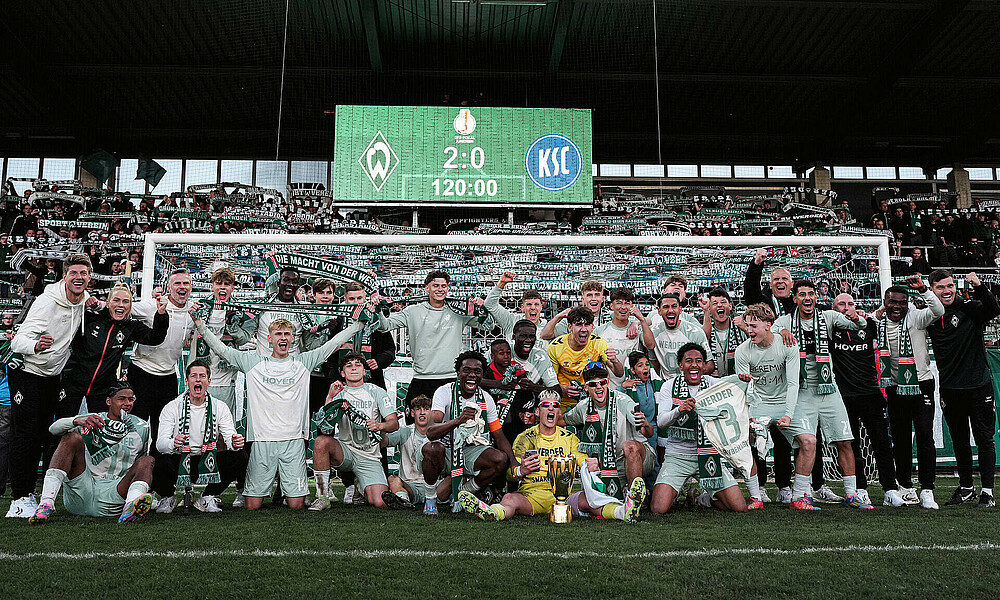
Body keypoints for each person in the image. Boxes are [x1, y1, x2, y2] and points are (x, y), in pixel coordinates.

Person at [190, 312, 362, 510]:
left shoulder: (303, 362)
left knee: (296, 505)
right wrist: (200, 325)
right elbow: (222, 350)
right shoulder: (253, 363)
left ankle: (294, 491)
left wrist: (358, 325)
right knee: (252, 505)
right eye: (278, 334)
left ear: (293, 338)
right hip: (262, 441)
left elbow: (332, 345)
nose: (283, 338)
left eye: (287, 334)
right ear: (269, 338)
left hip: (293, 441)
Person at [6, 254, 92, 519]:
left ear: (89, 278)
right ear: (64, 276)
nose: (78, 277)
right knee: (26, 434)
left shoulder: (84, 300)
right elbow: (16, 342)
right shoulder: (46, 302)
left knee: (44, 434)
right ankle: (19, 498)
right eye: (73, 272)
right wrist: (35, 345)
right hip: (27, 373)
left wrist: (96, 302)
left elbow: (92, 303)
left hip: (51, 377)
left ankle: (31, 493)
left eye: (83, 273)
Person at [774, 280, 872, 509]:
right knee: (805, 443)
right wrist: (782, 331)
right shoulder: (786, 321)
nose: (807, 298)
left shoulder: (828, 317)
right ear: (795, 298)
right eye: (802, 294)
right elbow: (770, 330)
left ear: (816, 297)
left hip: (828, 389)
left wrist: (856, 317)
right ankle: (801, 495)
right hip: (802, 391)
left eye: (811, 294)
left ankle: (851, 493)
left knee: (844, 440)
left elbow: (858, 325)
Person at [27, 384, 154, 524]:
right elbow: (53, 429)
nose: (127, 403)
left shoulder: (142, 426)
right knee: (71, 438)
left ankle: (131, 505)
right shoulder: (92, 419)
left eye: (130, 399)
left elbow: (140, 463)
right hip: (83, 488)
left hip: (116, 492)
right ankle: (46, 504)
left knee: (147, 460)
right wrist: (76, 420)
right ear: (109, 401)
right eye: (121, 399)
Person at [925, 270, 999, 507]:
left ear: (955, 286)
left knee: (984, 439)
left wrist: (979, 286)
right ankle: (967, 487)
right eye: (940, 287)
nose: (946, 291)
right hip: (950, 389)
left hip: (979, 386)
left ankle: (987, 491)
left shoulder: (970, 308)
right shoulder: (929, 315)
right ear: (932, 289)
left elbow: (994, 309)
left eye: (949, 286)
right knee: (959, 441)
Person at [735, 303, 819, 510]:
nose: (749, 330)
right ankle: (755, 496)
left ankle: (799, 497)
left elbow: (793, 384)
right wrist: (750, 414)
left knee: (809, 441)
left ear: (768, 325)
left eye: (754, 326)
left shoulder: (787, 344)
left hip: (784, 403)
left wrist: (788, 415)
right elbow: (744, 390)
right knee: (747, 439)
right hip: (758, 404)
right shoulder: (742, 350)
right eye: (747, 325)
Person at [650, 343, 752, 513]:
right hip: (678, 456)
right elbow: (661, 422)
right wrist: (679, 410)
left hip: (708, 453)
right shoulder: (669, 386)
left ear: (704, 366)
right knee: (658, 509)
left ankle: (700, 499)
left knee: (739, 507)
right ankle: (675, 491)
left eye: (698, 361)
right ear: (681, 365)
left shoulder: (715, 384)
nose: (694, 365)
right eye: (688, 361)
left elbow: (735, 389)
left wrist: (743, 381)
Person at [459, 391, 588, 521]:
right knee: (509, 498)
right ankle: (494, 513)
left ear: (559, 412)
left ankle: (604, 514)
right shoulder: (525, 438)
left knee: (590, 500)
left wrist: (589, 463)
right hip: (531, 496)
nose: (551, 408)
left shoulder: (569, 437)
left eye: (555, 405)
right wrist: (521, 470)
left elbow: (581, 459)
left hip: (564, 497)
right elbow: (510, 474)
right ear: (537, 411)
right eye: (545, 405)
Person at [828, 292, 903, 507]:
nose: (846, 307)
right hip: (844, 396)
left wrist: (870, 314)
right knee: (851, 445)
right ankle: (860, 489)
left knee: (882, 443)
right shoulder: (829, 328)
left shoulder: (868, 324)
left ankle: (890, 489)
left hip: (871, 394)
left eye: (850, 303)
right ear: (833, 309)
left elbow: (883, 318)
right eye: (841, 304)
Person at [422, 351, 519, 513]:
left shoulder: (486, 399)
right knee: (432, 448)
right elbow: (431, 433)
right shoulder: (444, 392)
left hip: (468, 451)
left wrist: (514, 461)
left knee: (500, 459)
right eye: (466, 370)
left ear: (482, 375)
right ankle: (430, 498)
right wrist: (458, 420)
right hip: (443, 451)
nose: (472, 375)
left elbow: (499, 436)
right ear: (458, 373)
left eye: (477, 371)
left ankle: (465, 492)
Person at [374, 270, 484, 410]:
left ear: (448, 288)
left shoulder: (458, 311)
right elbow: (385, 326)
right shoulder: (412, 311)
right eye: (435, 285)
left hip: (450, 378)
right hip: (422, 378)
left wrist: (483, 308)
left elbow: (487, 326)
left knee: (451, 422)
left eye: (443, 286)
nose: (440, 289)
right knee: (416, 421)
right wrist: (378, 309)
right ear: (427, 288)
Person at [878, 277, 944, 509]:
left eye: (902, 302)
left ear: (907, 303)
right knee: (901, 439)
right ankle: (905, 486)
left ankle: (927, 489)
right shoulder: (878, 323)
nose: (897, 306)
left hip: (921, 384)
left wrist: (924, 290)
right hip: (895, 387)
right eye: (892, 302)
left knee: (925, 436)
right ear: (885, 303)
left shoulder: (916, 317)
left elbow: (938, 310)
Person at [58, 284, 169, 417]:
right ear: (108, 303)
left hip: (102, 389)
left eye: (126, 301)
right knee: (64, 425)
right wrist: (86, 303)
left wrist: (161, 314)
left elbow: (155, 338)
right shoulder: (90, 317)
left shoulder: (130, 326)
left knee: (101, 427)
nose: (121, 305)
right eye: (116, 300)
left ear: (130, 306)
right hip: (73, 384)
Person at [152, 360, 247, 514]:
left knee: (240, 456)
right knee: (157, 461)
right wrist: (173, 443)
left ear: (209, 381)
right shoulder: (172, 407)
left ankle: (208, 496)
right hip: (180, 459)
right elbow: (160, 444)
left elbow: (230, 436)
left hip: (208, 460)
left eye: (202, 376)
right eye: (193, 376)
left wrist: (235, 443)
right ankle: (168, 496)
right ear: (186, 381)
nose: (198, 380)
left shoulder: (219, 406)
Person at [559, 364, 650, 522]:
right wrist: (537, 417)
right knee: (586, 502)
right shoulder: (583, 407)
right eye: (593, 384)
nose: (599, 387)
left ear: (607, 383)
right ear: (586, 388)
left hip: (638, 459)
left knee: (630, 446)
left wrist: (645, 424)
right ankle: (625, 500)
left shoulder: (623, 401)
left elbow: (648, 433)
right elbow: (562, 420)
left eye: (602, 382)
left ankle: (633, 501)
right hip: (608, 467)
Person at [309, 352, 398, 510]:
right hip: (346, 452)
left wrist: (379, 426)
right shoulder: (339, 394)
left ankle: (360, 487)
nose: (354, 368)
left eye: (358, 365)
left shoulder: (376, 391)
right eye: (349, 366)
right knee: (321, 442)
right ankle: (322, 496)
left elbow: (394, 423)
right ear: (342, 373)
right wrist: (329, 398)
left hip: (369, 456)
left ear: (364, 371)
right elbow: (325, 429)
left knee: (380, 502)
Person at [128, 268, 196, 451]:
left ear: (191, 287)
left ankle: (157, 467)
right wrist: (97, 304)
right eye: (177, 283)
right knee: (136, 430)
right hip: (142, 372)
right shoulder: (153, 306)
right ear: (169, 288)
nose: (182, 287)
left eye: (186, 283)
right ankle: (133, 467)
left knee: (164, 430)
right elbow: (123, 307)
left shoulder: (193, 311)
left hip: (168, 376)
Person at [381, 394, 451, 514]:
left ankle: (457, 497)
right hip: (410, 486)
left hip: (437, 487)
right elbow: (383, 443)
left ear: (432, 413)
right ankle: (403, 501)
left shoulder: (440, 433)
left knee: (455, 475)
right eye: (418, 409)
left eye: (426, 409)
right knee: (392, 479)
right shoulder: (405, 431)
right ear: (412, 413)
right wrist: (385, 426)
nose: (422, 413)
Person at [546, 306, 624, 408]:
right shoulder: (556, 347)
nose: (583, 329)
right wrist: (563, 388)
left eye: (587, 325)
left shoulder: (598, 343)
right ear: (570, 327)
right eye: (579, 325)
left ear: (592, 327)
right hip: (562, 402)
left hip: (589, 401)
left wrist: (615, 360)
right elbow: (550, 381)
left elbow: (619, 373)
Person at [592, 287, 655, 383]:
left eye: (627, 303)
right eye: (619, 303)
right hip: (611, 386)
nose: (623, 307)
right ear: (612, 306)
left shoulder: (638, 327)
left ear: (632, 306)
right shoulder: (599, 331)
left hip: (636, 386)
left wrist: (641, 320)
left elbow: (650, 345)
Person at [650, 294, 715, 379]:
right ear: (659, 311)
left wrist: (692, 376)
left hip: (690, 383)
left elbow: (710, 365)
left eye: (674, 306)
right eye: (666, 307)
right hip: (665, 383)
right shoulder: (653, 333)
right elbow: (653, 363)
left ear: (680, 310)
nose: (670, 310)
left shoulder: (695, 332)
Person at [483, 271, 548, 349]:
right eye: (529, 304)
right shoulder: (511, 321)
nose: (533, 307)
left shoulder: (549, 327)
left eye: (536, 304)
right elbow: (489, 305)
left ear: (541, 307)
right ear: (522, 307)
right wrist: (502, 283)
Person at [541, 280, 614, 340]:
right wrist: (558, 317)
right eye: (589, 295)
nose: (593, 299)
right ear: (583, 299)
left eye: (597, 295)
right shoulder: (572, 318)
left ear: (602, 299)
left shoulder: (612, 317)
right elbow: (545, 335)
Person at [619, 352, 662, 447]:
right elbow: (614, 399)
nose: (645, 368)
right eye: (640, 365)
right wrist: (622, 387)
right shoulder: (629, 387)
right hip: (635, 432)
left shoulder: (656, 385)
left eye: (647, 364)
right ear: (633, 370)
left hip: (652, 429)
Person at [701, 287, 746, 377]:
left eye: (723, 302)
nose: (719, 305)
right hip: (713, 382)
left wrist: (745, 328)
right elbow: (704, 337)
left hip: (737, 380)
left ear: (730, 306)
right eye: (715, 303)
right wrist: (705, 311)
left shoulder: (740, 329)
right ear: (710, 308)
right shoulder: (707, 329)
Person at [743, 249, 795, 316]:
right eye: (776, 279)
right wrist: (757, 264)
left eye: (784, 278)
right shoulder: (764, 303)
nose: (780, 281)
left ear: (792, 284)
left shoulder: (799, 301)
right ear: (770, 284)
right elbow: (751, 290)